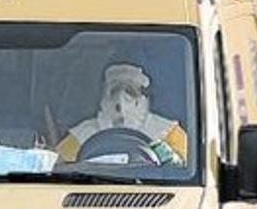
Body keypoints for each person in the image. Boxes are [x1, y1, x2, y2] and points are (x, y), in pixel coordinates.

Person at [56, 62, 188, 164]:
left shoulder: (168, 132)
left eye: (130, 91)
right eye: (114, 91)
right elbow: (56, 168)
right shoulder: (80, 135)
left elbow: (187, 170)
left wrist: (173, 161)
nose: (120, 99)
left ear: (143, 97)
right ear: (103, 96)